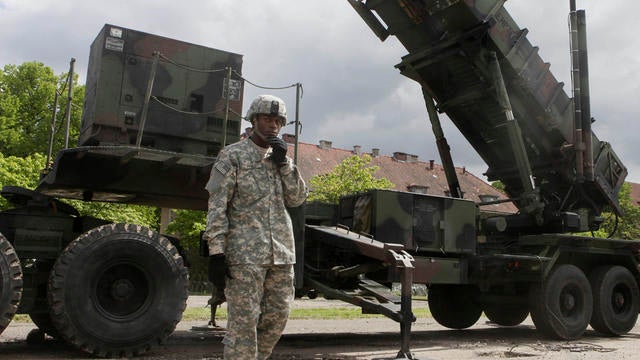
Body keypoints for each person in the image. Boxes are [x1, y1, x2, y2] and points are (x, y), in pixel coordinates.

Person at [203, 94, 308, 359]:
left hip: (281, 255)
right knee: (243, 326)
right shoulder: (232, 155)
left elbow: (297, 198)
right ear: (253, 120)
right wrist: (216, 252)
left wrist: (284, 163)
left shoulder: (282, 159)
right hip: (244, 256)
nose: (272, 125)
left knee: (277, 319)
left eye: (277, 120)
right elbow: (217, 205)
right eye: (266, 118)